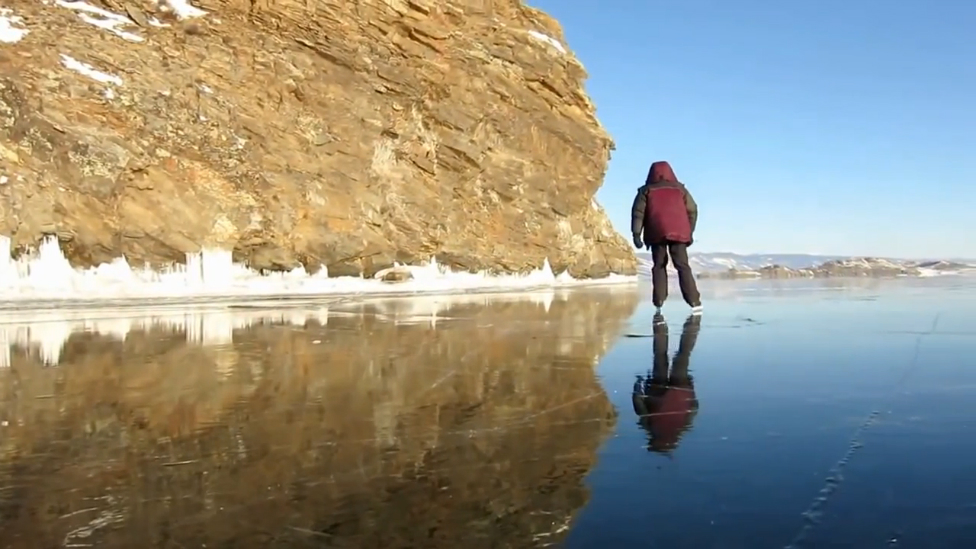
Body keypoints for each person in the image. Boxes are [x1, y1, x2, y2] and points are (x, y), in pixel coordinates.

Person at [630, 160, 702, 313]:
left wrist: (637, 234)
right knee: (682, 266)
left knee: (659, 266)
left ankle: (659, 302)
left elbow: (638, 214)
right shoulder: (680, 190)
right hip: (679, 233)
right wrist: (689, 231)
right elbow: (693, 210)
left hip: (656, 232)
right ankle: (694, 301)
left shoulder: (646, 191)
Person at [632, 312, 701, 454]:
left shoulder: (683, 428)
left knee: (683, 355)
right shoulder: (651, 428)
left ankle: (692, 325)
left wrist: (691, 389)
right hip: (658, 391)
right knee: (660, 355)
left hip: (680, 391)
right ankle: (660, 324)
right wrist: (638, 386)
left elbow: (694, 408)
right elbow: (639, 405)